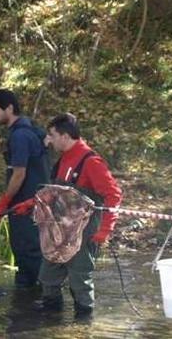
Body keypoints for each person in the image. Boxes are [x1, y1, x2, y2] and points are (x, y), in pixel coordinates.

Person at [32, 112, 123, 318]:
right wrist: (31, 204)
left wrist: (105, 230)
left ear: (65, 136)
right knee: (48, 275)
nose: (49, 140)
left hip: (84, 231)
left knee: (80, 280)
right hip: (58, 230)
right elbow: (53, 192)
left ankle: (83, 325)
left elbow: (114, 194)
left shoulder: (91, 162)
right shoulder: (63, 159)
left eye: (52, 135)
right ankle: (50, 319)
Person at [0, 89, 50, 289]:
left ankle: (33, 302)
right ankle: (32, 300)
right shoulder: (32, 130)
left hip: (25, 205)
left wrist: (4, 202)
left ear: (10, 108)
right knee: (32, 251)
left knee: (27, 252)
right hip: (37, 203)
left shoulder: (20, 136)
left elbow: (19, 174)